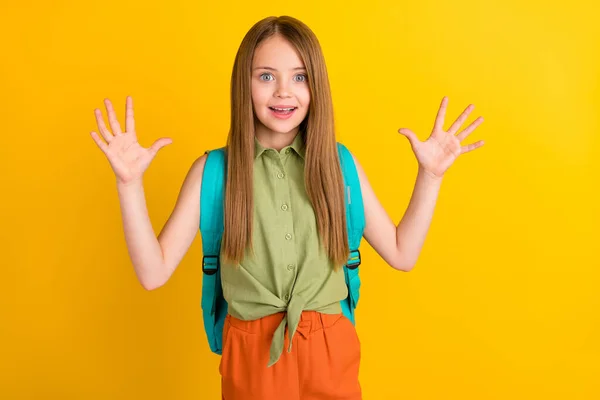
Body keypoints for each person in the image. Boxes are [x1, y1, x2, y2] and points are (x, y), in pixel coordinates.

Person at [90, 15, 484, 400]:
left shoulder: (339, 165)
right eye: (266, 76)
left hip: (331, 349)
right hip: (251, 355)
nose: (283, 92)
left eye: (300, 77)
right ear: (243, 84)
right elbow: (152, 272)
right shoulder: (213, 172)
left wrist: (430, 176)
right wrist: (130, 185)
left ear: (317, 87)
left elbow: (403, 252)